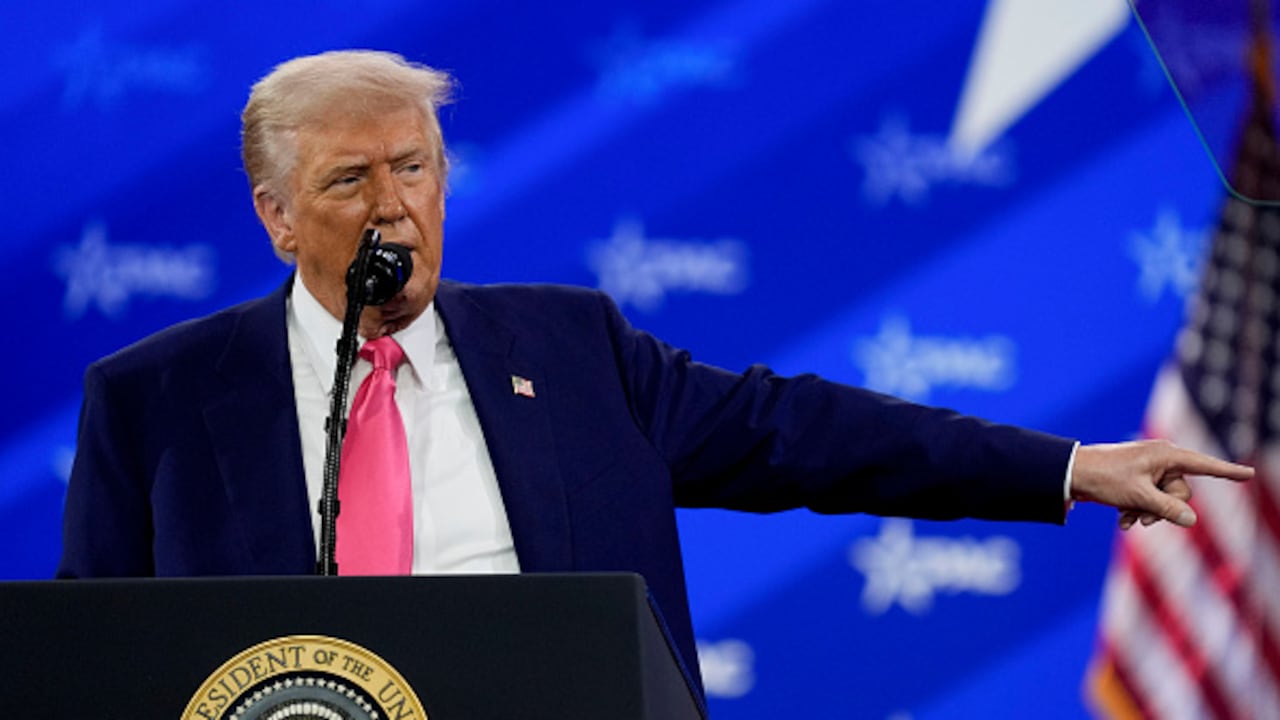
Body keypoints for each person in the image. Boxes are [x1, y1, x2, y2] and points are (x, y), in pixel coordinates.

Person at [57, 50, 1254, 696]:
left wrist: (1068, 467)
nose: (395, 207)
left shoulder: (566, 350)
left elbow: (802, 433)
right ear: (274, 217)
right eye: (348, 182)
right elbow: (97, 664)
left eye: (414, 169)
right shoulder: (156, 399)